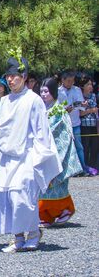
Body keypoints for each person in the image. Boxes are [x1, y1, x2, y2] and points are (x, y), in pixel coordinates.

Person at [0, 56, 62, 253]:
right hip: (7, 157)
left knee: (23, 197)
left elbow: (41, 132)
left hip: (27, 155)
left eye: (15, 76)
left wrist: (41, 162)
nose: (11, 80)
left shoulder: (34, 100)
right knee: (9, 198)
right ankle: (17, 237)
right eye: (8, 77)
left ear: (24, 76)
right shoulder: (4, 101)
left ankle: (34, 233)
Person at [38, 78, 83, 227]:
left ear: (53, 91)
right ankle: (45, 214)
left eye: (46, 91)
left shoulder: (59, 110)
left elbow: (65, 133)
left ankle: (64, 210)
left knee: (57, 185)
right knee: (42, 186)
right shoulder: (41, 108)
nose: (43, 94)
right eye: (42, 91)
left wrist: (57, 152)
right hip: (42, 151)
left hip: (57, 151)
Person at [57, 71, 93, 175]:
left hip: (76, 123)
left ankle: (82, 169)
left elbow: (81, 105)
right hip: (63, 123)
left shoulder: (77, 89)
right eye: (68, 81)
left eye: (72, 81)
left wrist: (83, 105)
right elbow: (56, 108)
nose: (70, 83)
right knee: (65, 147)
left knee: (79, 147)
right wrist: (65, 110)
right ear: (62, 80)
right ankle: (66, 171)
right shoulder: (58, 91)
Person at [78, 75, 98, 172]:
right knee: (85, 147)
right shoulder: (80, 96)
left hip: (94, 124)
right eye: (88, 84)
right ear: (83, 86)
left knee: (94, 146)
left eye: (91, 84)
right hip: (84, 125)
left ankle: (94, 167)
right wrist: (91, 110)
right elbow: (80, 113)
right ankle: (85, 167)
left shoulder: (94, 96)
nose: (90, 86)